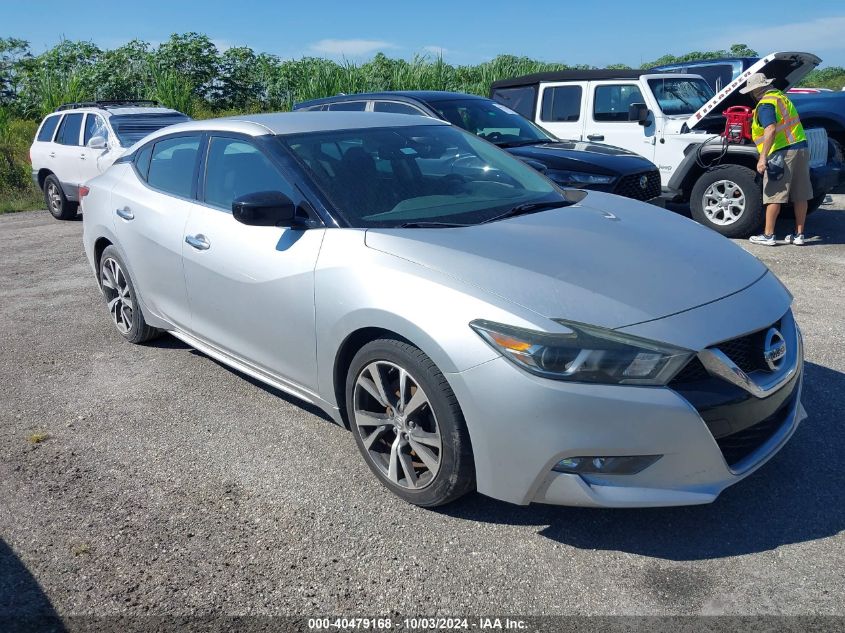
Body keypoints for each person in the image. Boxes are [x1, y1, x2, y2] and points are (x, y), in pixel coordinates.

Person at [741, 73, 813, 246]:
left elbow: (771, 130)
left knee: (774, 193)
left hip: (782, 152)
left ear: (756, 90)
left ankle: (768, 235)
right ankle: (799, 235)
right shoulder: (780, 97)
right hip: (800, 148)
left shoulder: (766, 104)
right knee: (800, 193)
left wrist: (762, 158)